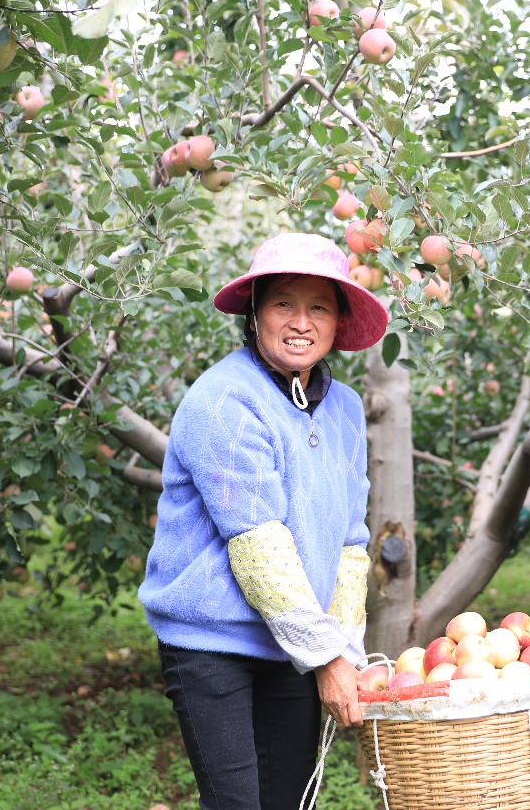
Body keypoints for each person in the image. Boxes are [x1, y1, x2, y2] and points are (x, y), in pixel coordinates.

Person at [138, 233, 389, 810]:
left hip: (294, 645)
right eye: (283, 304)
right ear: (254, 314)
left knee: (290, 800)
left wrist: (344, 649)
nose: (301, 322)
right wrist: (327, 657)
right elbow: (257, 543)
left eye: (319, 307)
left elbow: (352, 539)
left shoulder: (345, 407)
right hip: (212, 643)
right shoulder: (223, 400)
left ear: (337, 322)